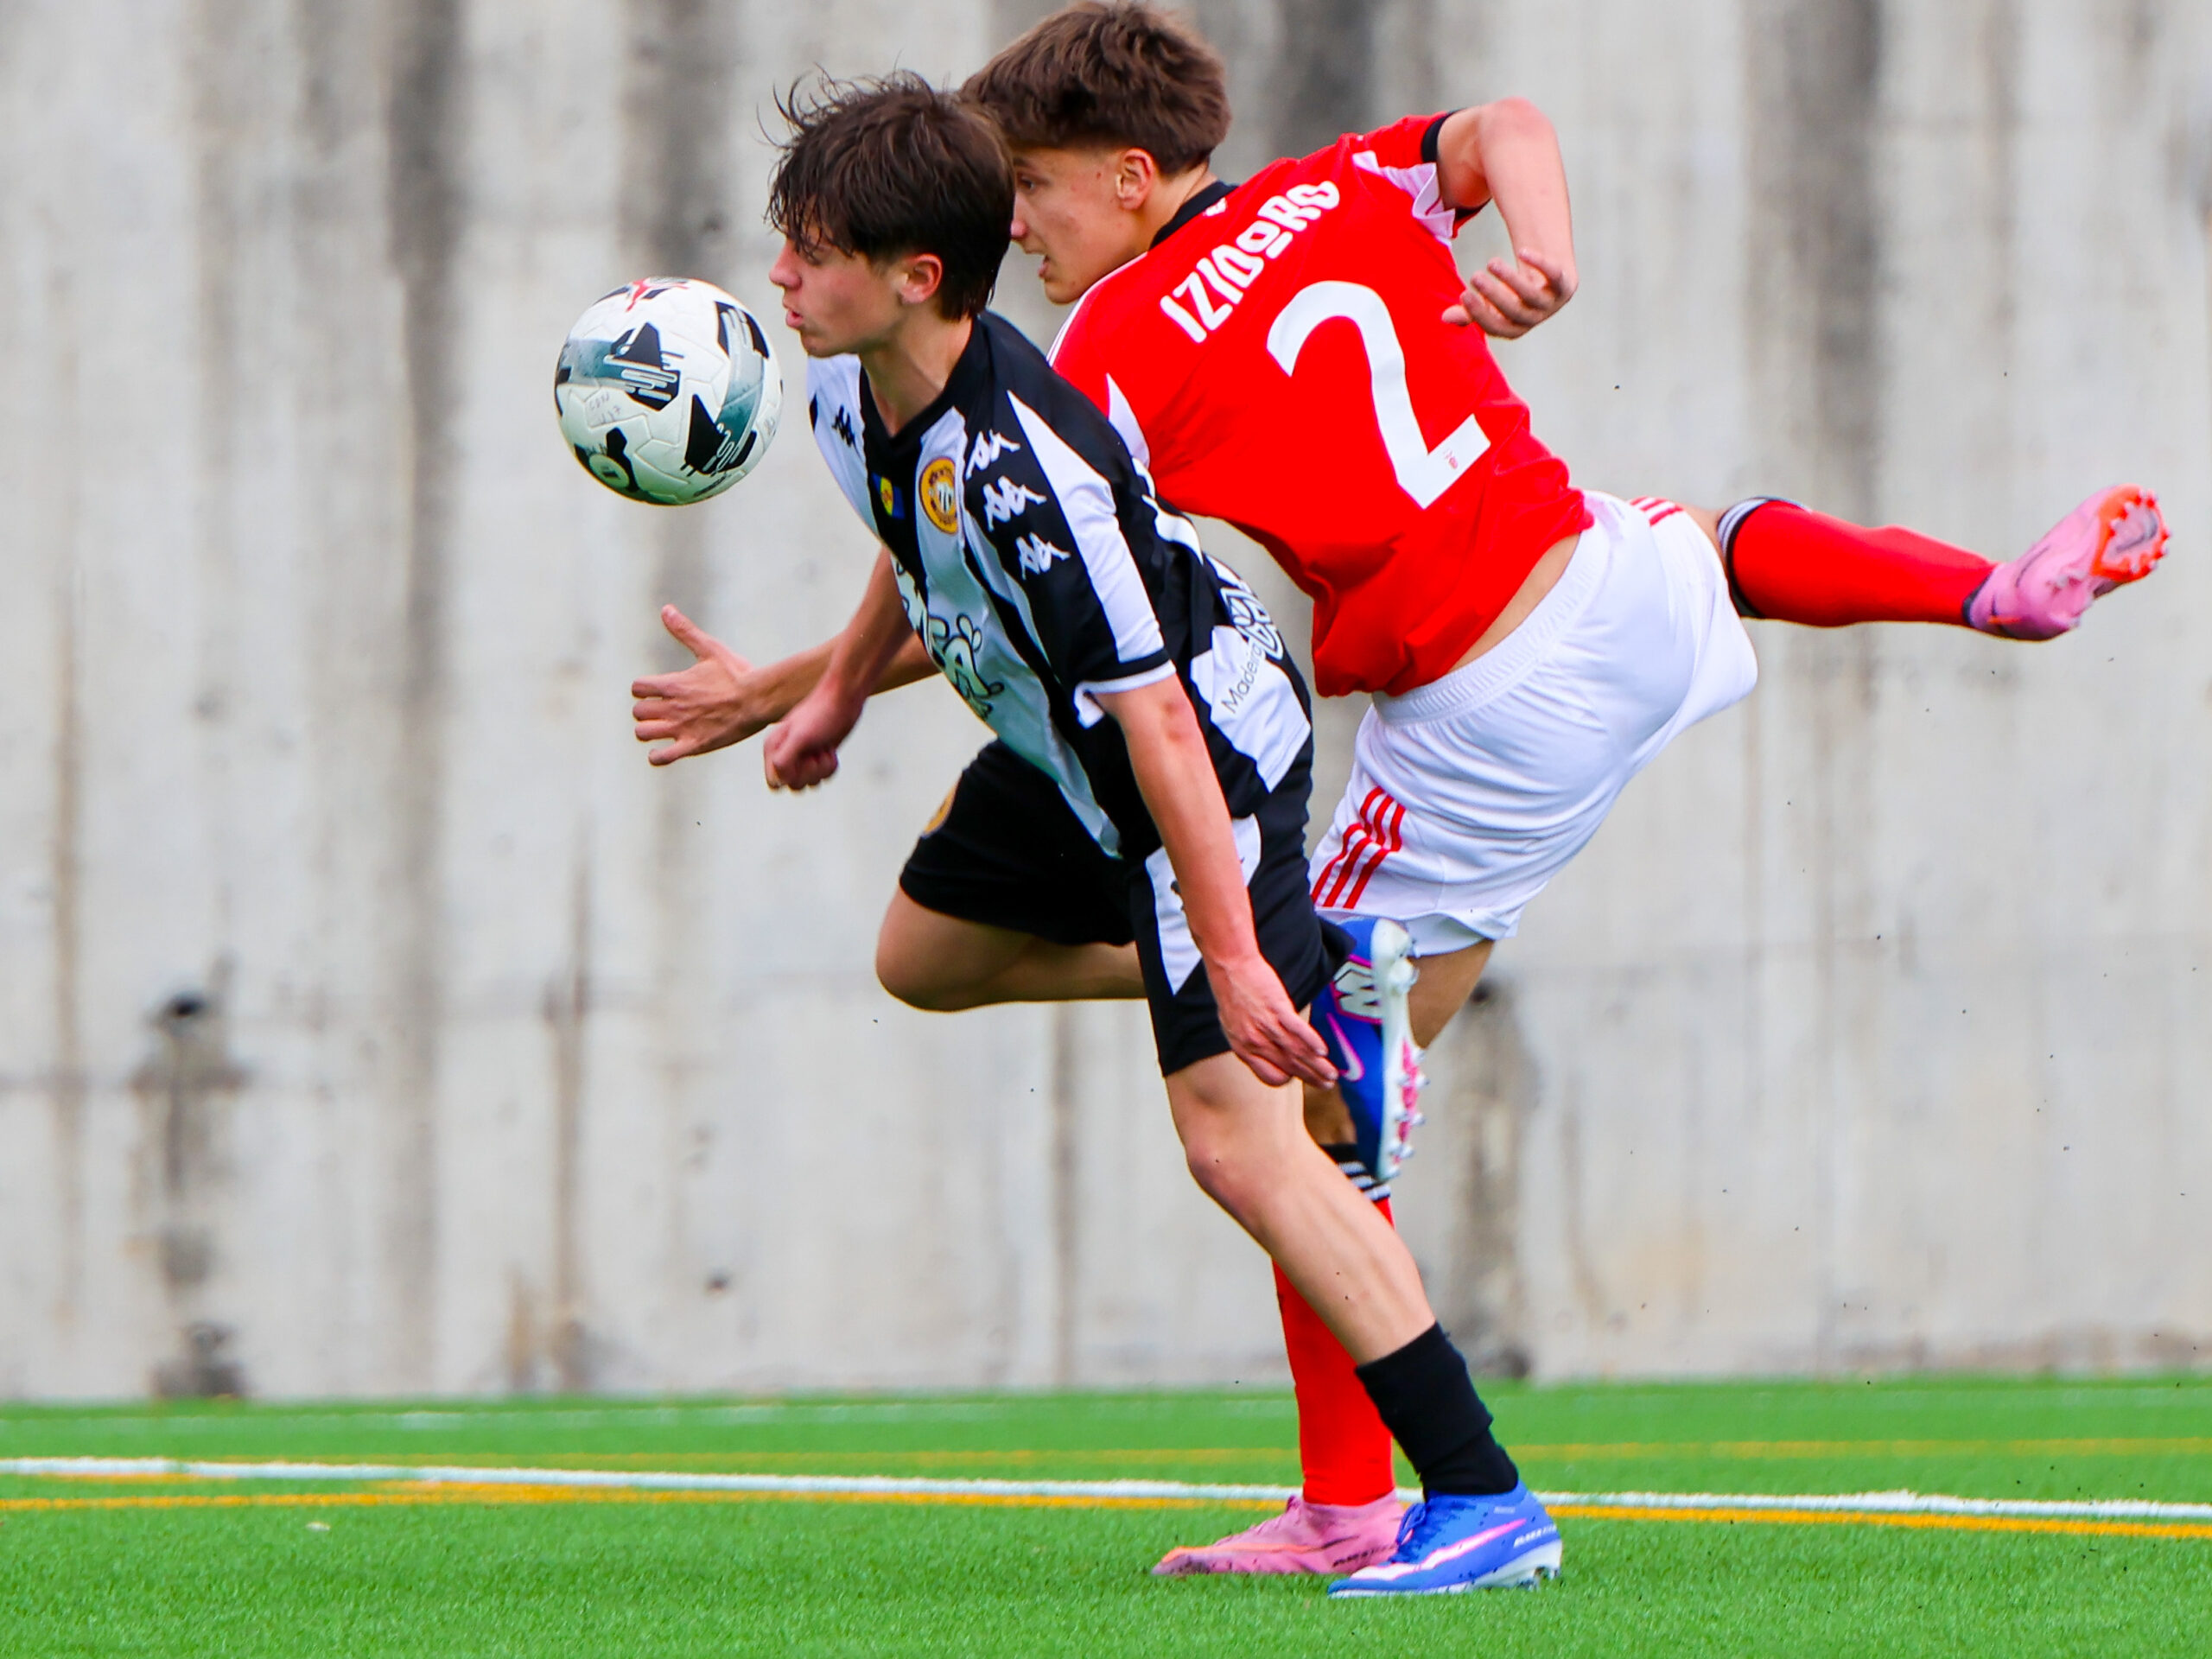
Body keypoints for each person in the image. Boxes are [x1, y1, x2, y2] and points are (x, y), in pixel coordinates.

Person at [634, 5, 2168, 1593]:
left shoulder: (1107, 355)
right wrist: (1544, 254)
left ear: (1134, 175)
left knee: (1309, 1106)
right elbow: (1506, 126)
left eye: (1034, 186)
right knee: (1715, 540)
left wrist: (803, 693)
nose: (1018, 224)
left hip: (1479, 713)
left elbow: (1049, 575)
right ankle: (1985, 591)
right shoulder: (1337, 185)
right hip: (1604, 582)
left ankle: (1390, 1499)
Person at [734, 73, 1565, 1598]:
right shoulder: (852, 389)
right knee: (924, 956)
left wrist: (1233, 956)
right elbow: (911, 543)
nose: (779, 274)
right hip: (1065, 750)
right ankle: (1309, 961)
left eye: (813, 250)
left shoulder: (1033, 471)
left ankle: (1483, 1494)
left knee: (1239, 1148)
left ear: (918, 277)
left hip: (1202, 766)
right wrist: (833, 694)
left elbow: (1168, 727)